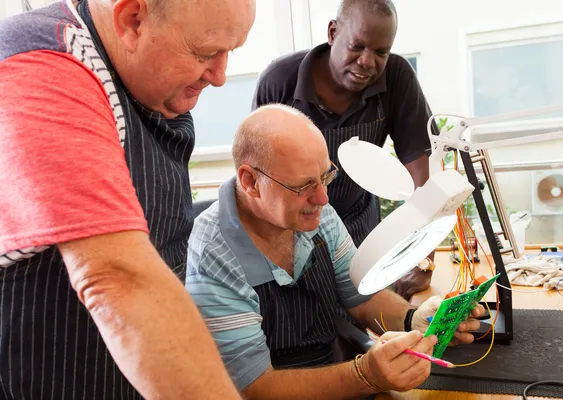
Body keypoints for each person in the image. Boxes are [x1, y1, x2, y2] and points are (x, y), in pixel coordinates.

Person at [0, 0, 254, 398]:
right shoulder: (43, 65)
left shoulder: (148, 83)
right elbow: (118, 280)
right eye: (206, 53)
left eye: (230, 52)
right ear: (132, 20)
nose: (220, 76)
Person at [186, 104, 483, 399]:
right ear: (251, 181)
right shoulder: (214, 253)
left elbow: (361, 296)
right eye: (303, 186)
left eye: (326, 177)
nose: (323, 197)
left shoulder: (315, 212)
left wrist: (414, 319)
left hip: (338, 369)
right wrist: (364, 375)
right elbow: (254, 388)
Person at [252, 0, 437, 301]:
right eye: (357, 46)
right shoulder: (279, 82)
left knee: (370, 324)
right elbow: (256, 183)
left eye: (381, 52)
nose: (367, 62)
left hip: (360, 230)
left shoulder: (397, 76)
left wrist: (422, 256)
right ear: (333, 32)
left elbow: (419, 176)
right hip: (293, 235)